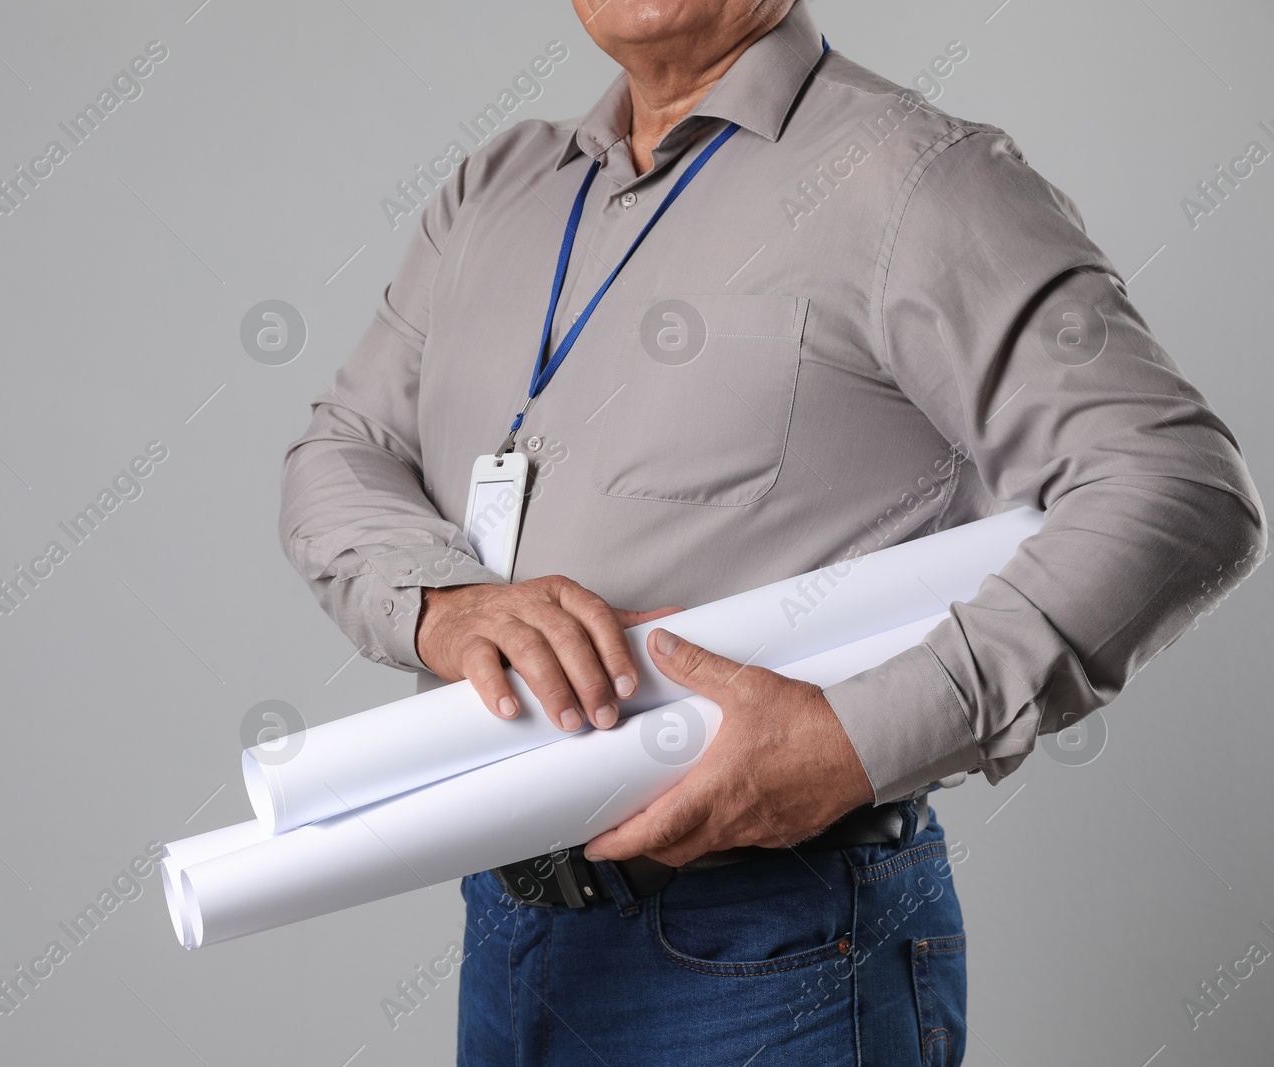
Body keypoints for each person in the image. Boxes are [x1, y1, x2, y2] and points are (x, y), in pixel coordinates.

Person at [279, 0, 1265, 1062]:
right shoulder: (494, 191)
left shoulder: (917, 177)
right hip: (511, 923)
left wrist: (855, 740)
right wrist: (444, 599)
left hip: (774, 945)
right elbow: (339, 451)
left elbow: (1177, 485)